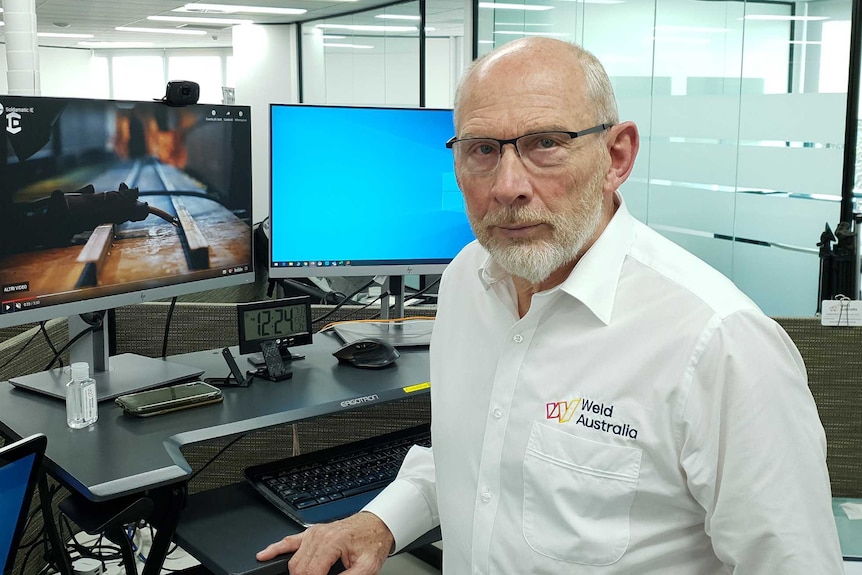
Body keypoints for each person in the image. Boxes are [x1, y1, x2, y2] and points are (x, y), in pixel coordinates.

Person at [257, 37, 844, 574]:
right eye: (483, 149)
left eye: (546, 144)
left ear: (616, 157)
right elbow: (477, 459)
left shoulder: (719, 343)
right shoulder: (467, 282)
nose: (507, 185)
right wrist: (382, 522)